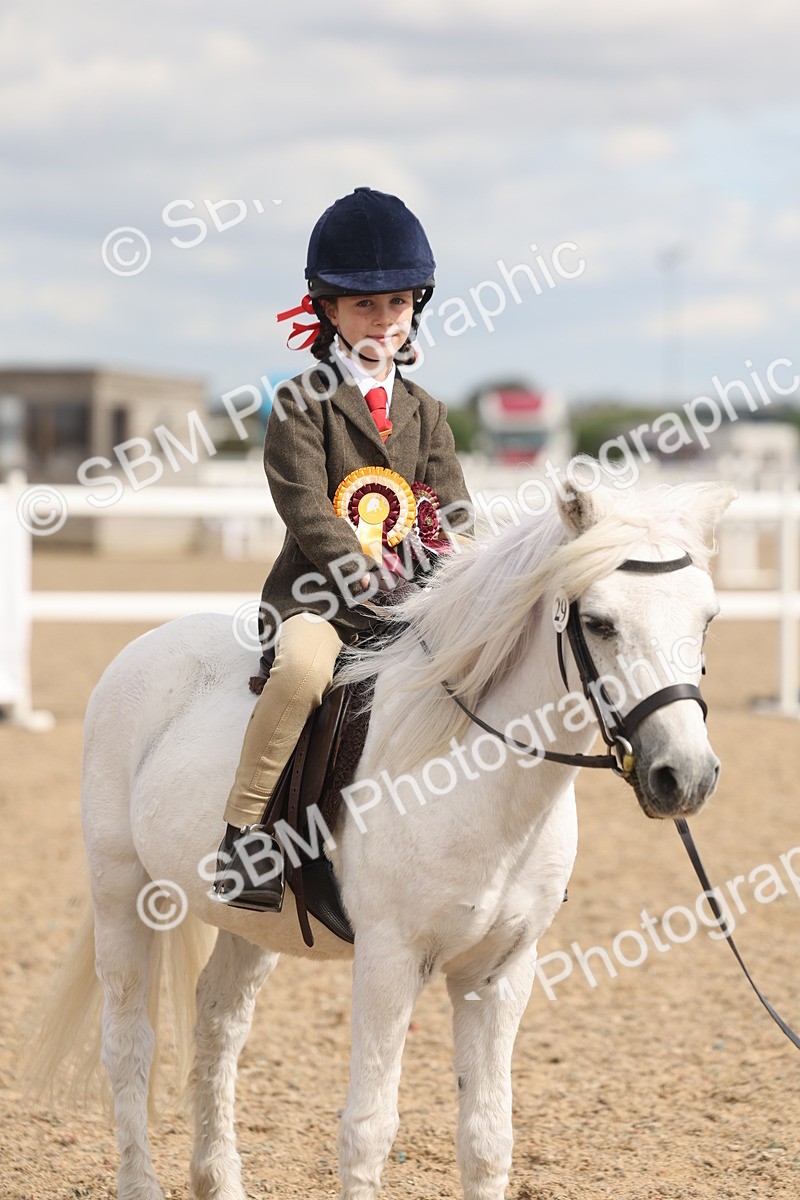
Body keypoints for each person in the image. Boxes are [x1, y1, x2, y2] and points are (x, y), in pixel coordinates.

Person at [214, 186, 473, 909]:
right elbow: (303, 506)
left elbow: (451, 507)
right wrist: (367, 577)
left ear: (415, 304)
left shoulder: (429, 413)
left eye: (396, 304)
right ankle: (245, 836)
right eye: (364, 305)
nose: (382, 319)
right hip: (322, 599)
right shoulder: (301, 404)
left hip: (415, 598)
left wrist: (453, 573)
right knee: (300, 673)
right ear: (328, 309)